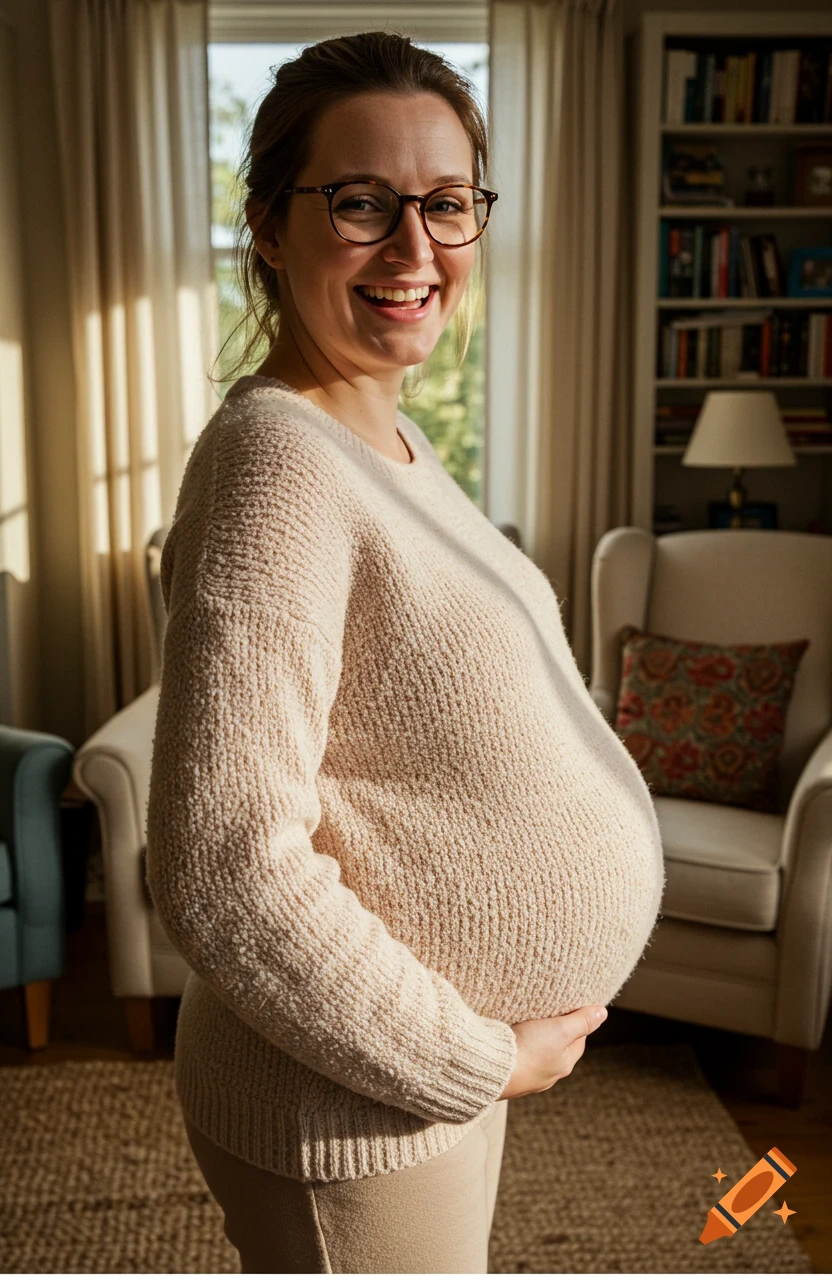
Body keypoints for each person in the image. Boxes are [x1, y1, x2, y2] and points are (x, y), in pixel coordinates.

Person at [145, 29, 665, 1275]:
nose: (416, 249)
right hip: (354, 1104)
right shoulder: (277, 465)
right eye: (363, 202)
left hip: (401, 1084)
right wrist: (474, 1058)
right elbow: (222, 864)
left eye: (446, 204)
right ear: (271, 227)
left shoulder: (390, 443)